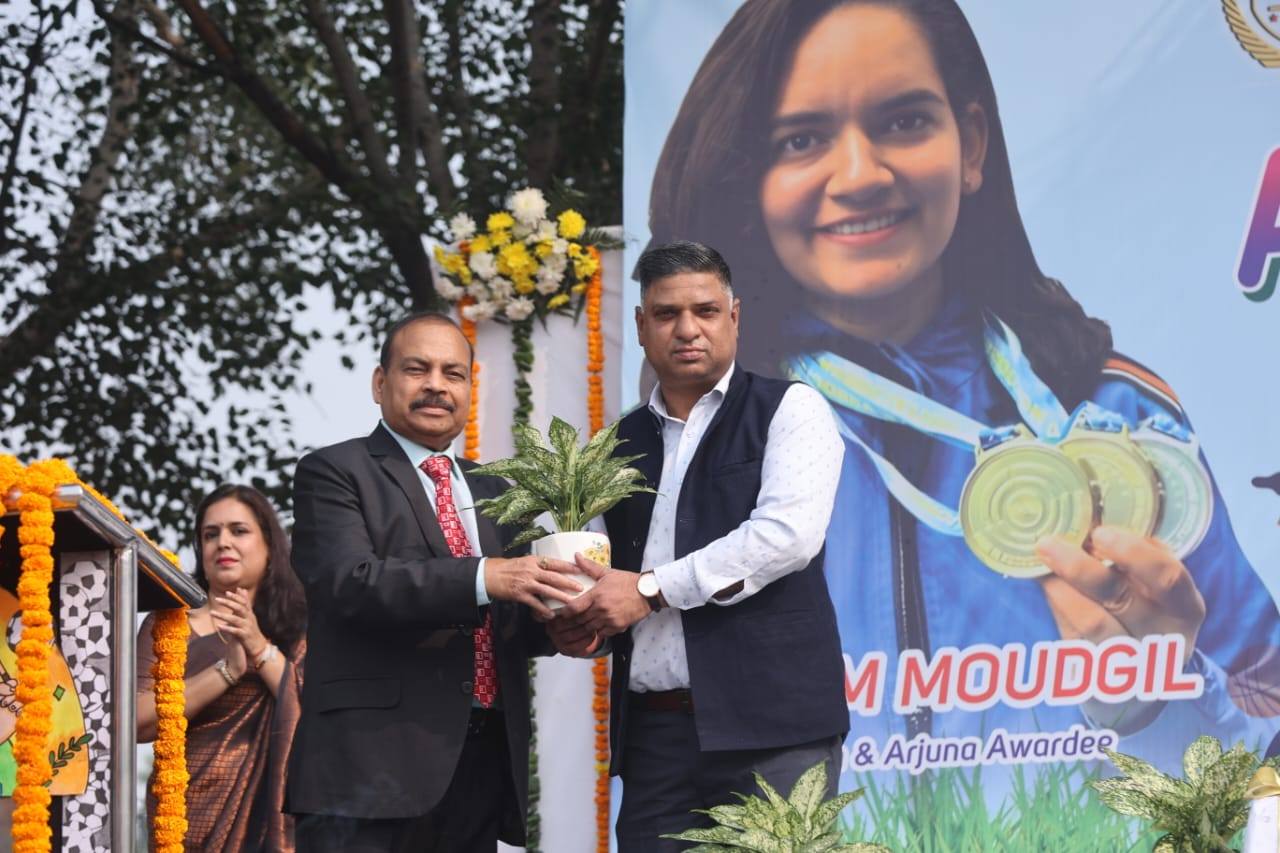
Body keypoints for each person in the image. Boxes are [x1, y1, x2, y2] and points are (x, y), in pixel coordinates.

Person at [644, 0, 1280, 798]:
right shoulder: (713, 439)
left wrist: (1154, 703)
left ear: (970, 144)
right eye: (801, 140)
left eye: (904, 121)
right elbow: (669, 733)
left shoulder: (1117, 415)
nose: (860, 175)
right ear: (751, 181)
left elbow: (1268, 730)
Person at [551, 241, 848, 852]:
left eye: (706, 311)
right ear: (641, 326)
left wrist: (649, 589)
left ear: (734, 317)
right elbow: (601, 570)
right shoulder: (615, 442)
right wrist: (582, 622)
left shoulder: (790, 409)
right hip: (656, 736)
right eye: (667, 314)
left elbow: (787, 535)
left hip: (774, 731)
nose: (687, 329)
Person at [284, 312, 585, 852]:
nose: (436, 386)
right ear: (380, 383)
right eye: (417, 369)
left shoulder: (498, 491)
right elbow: (350, 582)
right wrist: (485, 574)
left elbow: (515, 610)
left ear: (470, 388)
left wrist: (565, 627)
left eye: (453, 373)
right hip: (367, 773)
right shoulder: (334, 471)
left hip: (480, 767)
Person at [136, 484, 307, 852]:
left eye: (238, 531)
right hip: (184, 811)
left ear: (269, 545)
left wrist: (259, 647)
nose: (223, 543)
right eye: (210, 534)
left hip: (275, 814)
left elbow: (317, 710)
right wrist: (225, 671)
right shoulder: (169, 624)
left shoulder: (299, 626)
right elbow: (136, 721)